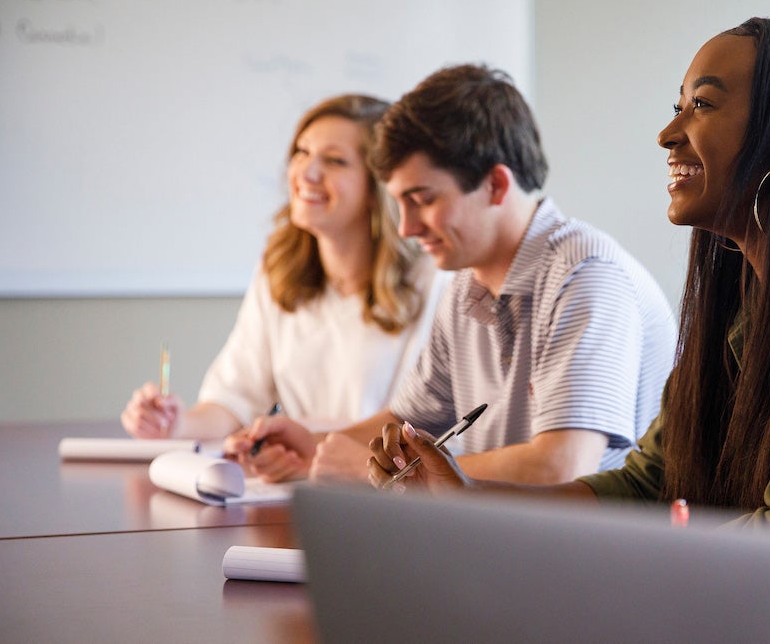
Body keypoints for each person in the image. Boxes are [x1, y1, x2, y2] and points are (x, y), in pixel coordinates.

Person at [363, 18, 770, 568]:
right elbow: (651, 484)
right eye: (679, 106)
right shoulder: (744, 311)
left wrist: (595, 562)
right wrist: (462, 497)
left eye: (700, 105)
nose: (668, 134)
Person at [230, 65, 677, 485]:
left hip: (591, 558)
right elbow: (404, 425)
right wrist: (320, 449)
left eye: (422, 199)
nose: (406, 227)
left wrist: (394, 474)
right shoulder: (468, 284)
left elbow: (559, 465)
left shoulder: (585, 276)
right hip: (506, 544)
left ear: (496, 185)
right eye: (399, 202)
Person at [121, 95, 445, 459]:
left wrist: (307, 448)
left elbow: (417, 426)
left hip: (383, 489)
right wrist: (176, 423)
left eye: (335, 161)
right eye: (301, 153)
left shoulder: (433, 280)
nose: (307, 173)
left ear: (377, 188)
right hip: (298, 484)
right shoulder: (279, 267)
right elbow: (234, 400)